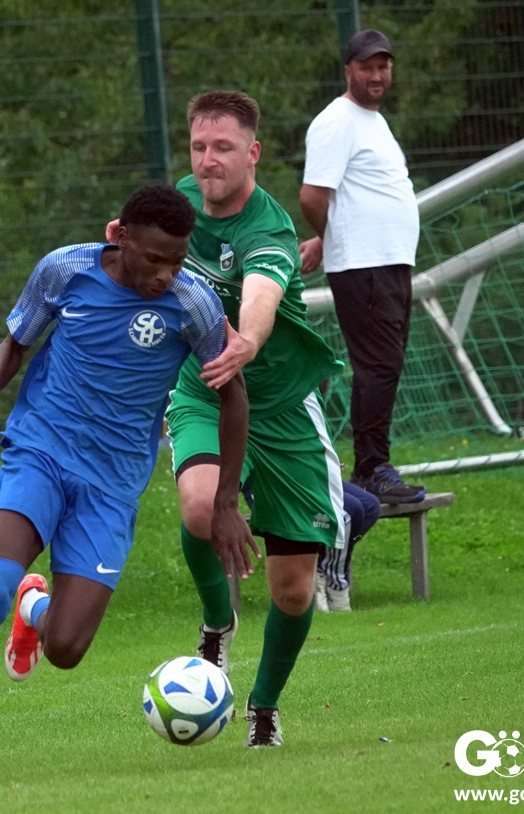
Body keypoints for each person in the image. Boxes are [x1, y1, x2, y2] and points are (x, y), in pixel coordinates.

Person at [0, 183, 256, 788]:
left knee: (65, 648)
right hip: (40, 450)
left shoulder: (192, 304)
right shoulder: (65, 270)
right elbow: (16, 341)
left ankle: (34, 608)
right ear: (121, 236)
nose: (165, 274)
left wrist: (225, 501)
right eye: (154, 259)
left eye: (176, 261)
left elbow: (233, 395)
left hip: (112, 486)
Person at [110, 90, 347, 748]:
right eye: (198, 146)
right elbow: (131, 250)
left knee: (293, 590)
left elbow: (262, 292)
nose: (208, 160)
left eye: (223, 148)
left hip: (282, 408)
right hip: (204, 388)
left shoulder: (267, 229)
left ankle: (263, 708)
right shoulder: (180, 206)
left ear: (253, 153)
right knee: (198, 507)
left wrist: (247, 338)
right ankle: (218, 625)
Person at [298, 28, 425, 505]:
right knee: (378, 365)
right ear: (348, 70)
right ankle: (372, 469)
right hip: (364, 266)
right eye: (367, 66)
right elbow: (312, 197)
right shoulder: (336, 121)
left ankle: (372, 467)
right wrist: (334, 240)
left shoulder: (372, 120)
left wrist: (322, 239)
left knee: (385, 364)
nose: (376, 75)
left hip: (387, 262)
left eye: (383, 66)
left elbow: (353, 196)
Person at [314, 480, 381, 613]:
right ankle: (334, 583)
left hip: (321, 475)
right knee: (349, 510)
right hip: (296, 477)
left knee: (370, 506)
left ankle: (323, 570)